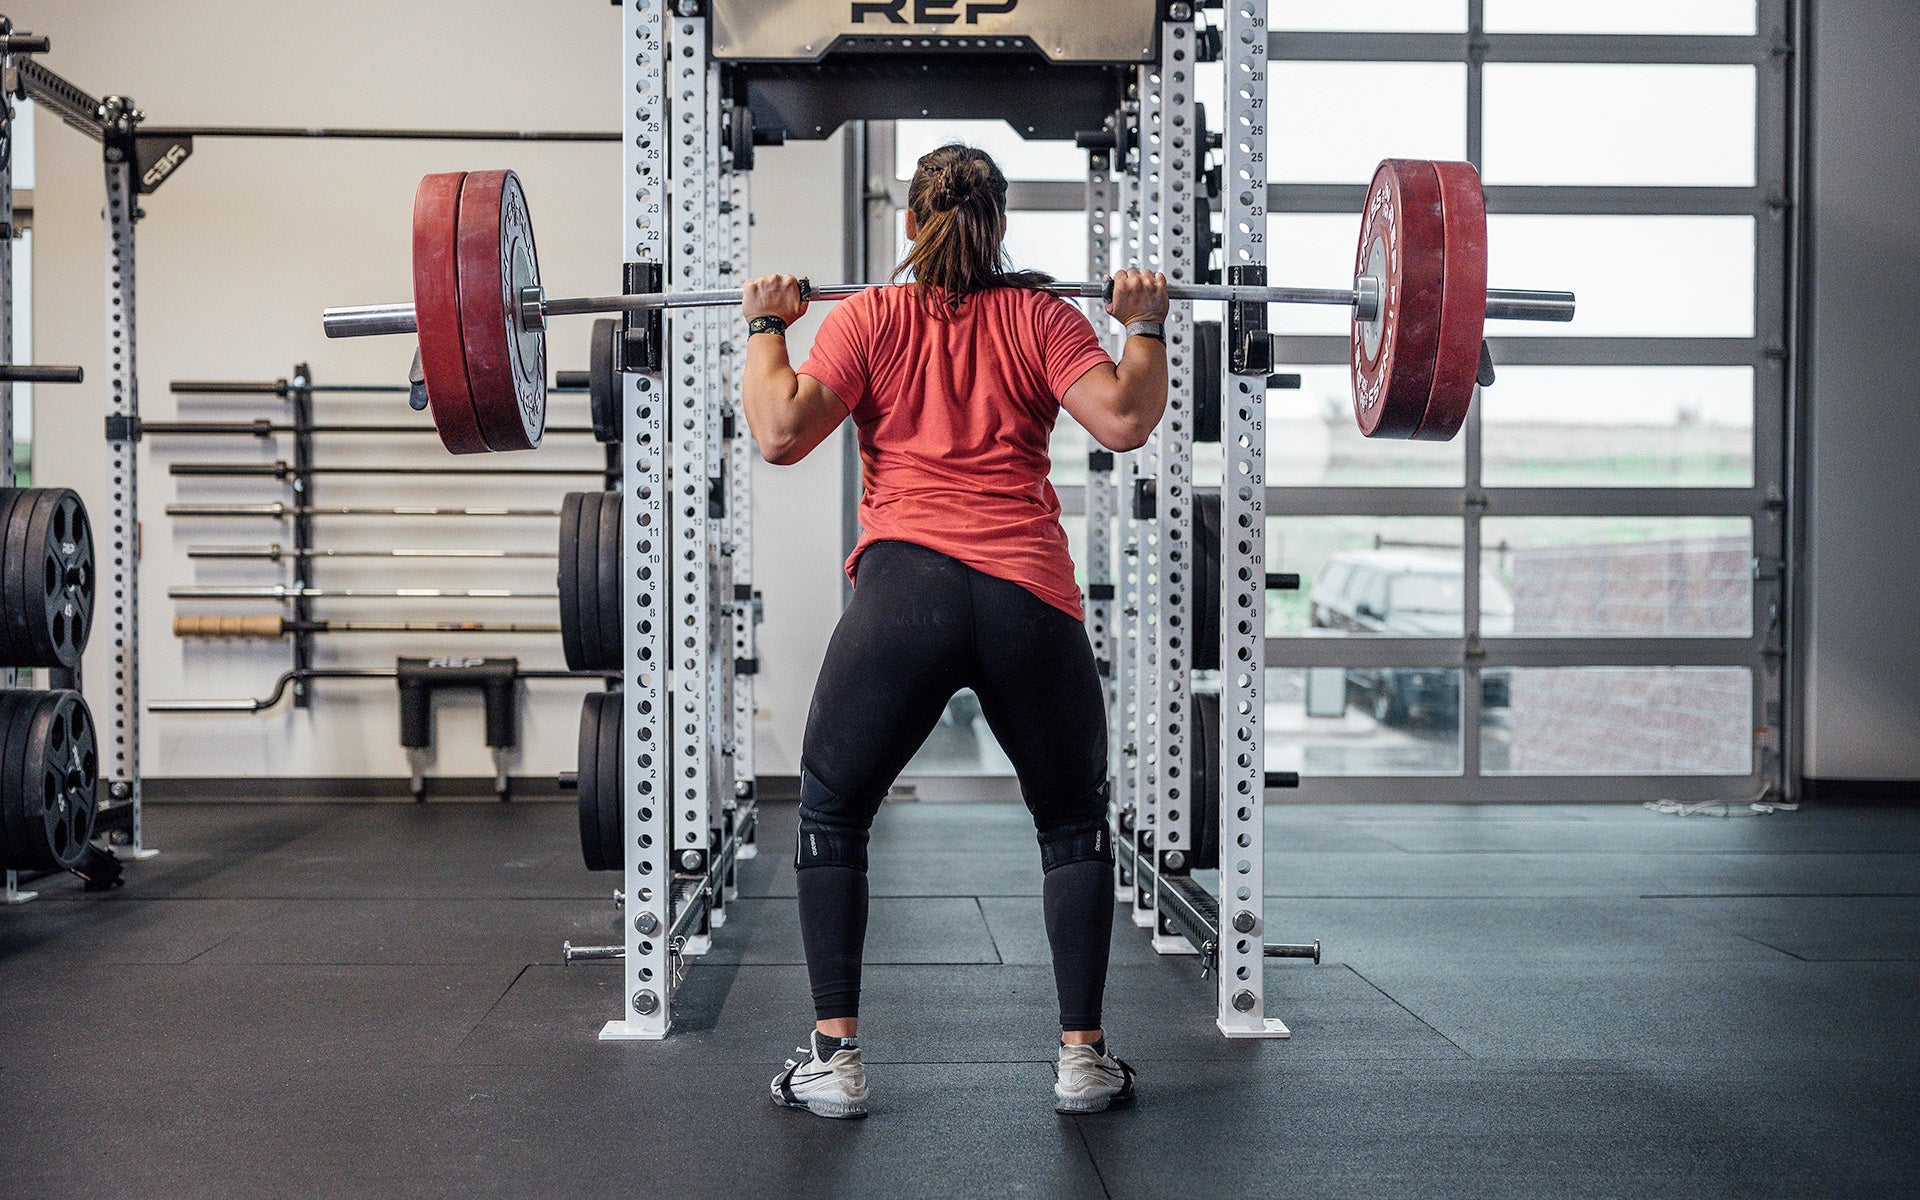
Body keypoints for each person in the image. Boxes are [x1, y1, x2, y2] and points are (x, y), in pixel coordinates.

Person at [738, 143, 1170, 1119]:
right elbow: (1125, 417)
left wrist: (767, 323)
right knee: (1071, 822)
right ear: (1002, 225)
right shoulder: (1041, 317)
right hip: (1028, 595)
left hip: (906, 593)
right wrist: (1142, 328)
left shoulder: (872, 317)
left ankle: (835, 1063)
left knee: (832, 812)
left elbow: (779, 430)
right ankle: (1082, 1060)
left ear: (907, 225)